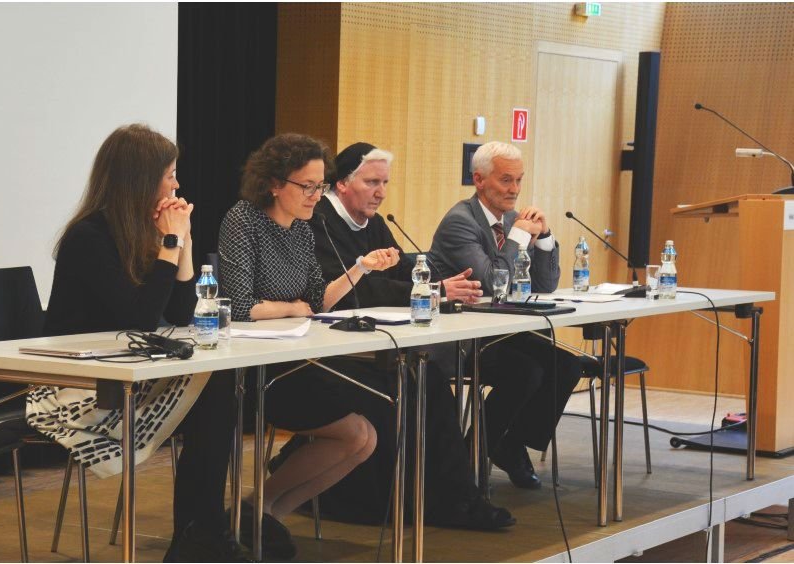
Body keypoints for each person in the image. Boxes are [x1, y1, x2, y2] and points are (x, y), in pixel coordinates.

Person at [25, 124, 246, 562]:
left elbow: (183, 314)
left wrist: (183, 242)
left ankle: (199, 532)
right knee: (213, 394)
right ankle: (199, 533)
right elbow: (139, 319)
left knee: (220, 386)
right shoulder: (88, 237)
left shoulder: (139, 230)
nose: (177, 185)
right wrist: (169, 241)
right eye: (170, 175)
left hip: (127, 369)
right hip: (80, 380)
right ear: (141, 180)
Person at [302, 141, 514, 530]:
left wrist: (439, 285)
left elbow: (399, 273)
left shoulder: (375, 223)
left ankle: (450, 496)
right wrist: (432, 292)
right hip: (327, 350)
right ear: (342, 184)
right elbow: (351, 293)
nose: (381, 192)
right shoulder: (319, 222)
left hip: (376, 344)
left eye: (385, 182)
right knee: (425, 381)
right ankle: (447, 499)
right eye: (372, 182)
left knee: (427, 377)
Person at [217, 133, 401, 559]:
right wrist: (292, 307)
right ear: (274, 183)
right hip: (253, 367)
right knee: (356, 431)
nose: (315, 196)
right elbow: (242, 306)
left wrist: (360, 267)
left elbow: (317, 301)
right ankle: (256, 513)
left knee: (365, 436)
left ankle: (265, 513)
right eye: (307, 186)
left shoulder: (302, 230)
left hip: (295, 356)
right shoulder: (243, 220)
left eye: (320, 186)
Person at [428, 141, 582, 489]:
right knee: (525, 371)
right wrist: (517, 237)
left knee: (566, 366)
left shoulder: (514, 221)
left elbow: (544, 284)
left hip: (501, 332)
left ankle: (508, 443)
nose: (514, 190)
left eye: (519, 180)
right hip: (460, 339)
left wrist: (545, 238)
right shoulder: (459, 222)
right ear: (479, 180)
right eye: (505, 180)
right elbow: (492, 281)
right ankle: (472, 454)